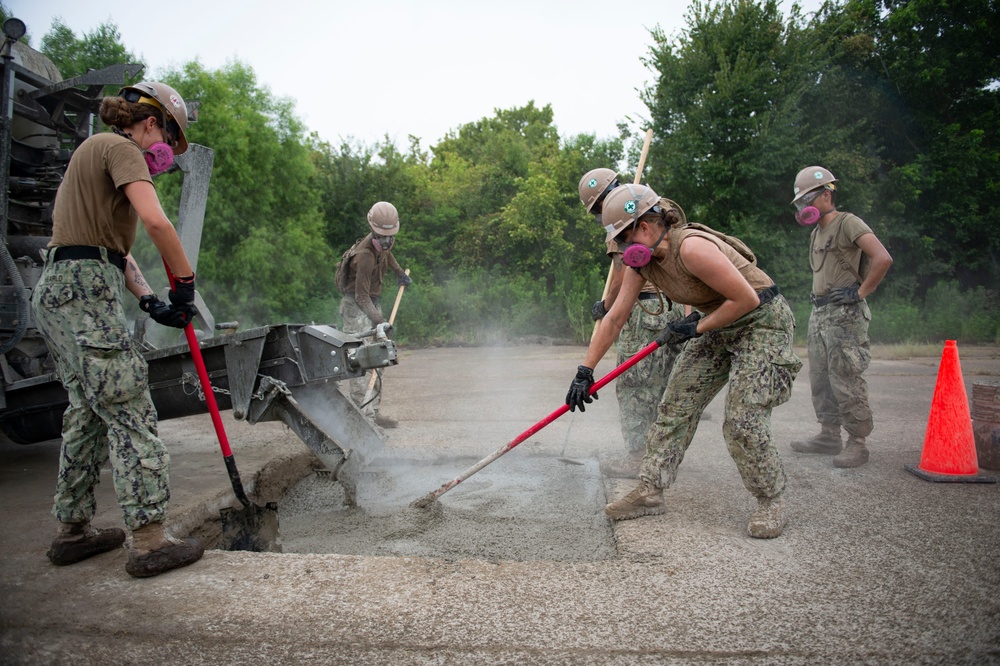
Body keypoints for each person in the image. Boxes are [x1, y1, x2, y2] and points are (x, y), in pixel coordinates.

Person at [31, 81, 205, 577]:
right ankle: (149, 541)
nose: (167, 153)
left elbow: (113, 252)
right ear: (151, 122)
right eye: (169, 140)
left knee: (87, 411)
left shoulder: (95, 153)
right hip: (83, 289)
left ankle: (72, 532)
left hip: (66, 287)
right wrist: (184, 285)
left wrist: (150, 301)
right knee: (130, 404)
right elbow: (158, 224)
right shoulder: (119, 147)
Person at [566, 183, 802, 538]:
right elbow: (615, 318)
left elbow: (746, 300)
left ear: (644, 227)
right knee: (674, 406)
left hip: (761, 322)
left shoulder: (691, 248)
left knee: (742, 418)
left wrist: (694, 328)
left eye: (624, 241)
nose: (621, 251)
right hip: (716, 323)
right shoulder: (642, 264)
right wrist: (585, 371)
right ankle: (650, 491)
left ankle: (771, 499)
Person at [578, 168, 687, 478]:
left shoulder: (622, 221)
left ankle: (638, 457)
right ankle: (661, 455)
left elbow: (623, 275)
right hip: (672, 302)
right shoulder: (654, 206)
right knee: (661, 385)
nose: (602, 218)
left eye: (597, 211)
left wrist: (606, 305)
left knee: (634, 384)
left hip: (644, 309)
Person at [788, 166, 893, 467]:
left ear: (825, 195)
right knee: (820, 377)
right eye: (799, 203)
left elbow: (883, 258)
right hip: (821, 312)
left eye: (805, 200)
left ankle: (857, 442)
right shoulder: (817, 231)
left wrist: (861, 293)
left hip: (845, 314)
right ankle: (828, 434)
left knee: (845, 377)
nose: (802, 208)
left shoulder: (848, 223)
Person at [338, 201, 412, 429]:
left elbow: (387, 256)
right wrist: (382, 322)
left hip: (373, 304)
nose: (387, 241)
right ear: (373, 230)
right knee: (361, 360)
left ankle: (373, 412)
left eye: (390, 236)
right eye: (382, 237)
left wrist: (400, 273)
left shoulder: (384, 245)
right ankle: (363, 420)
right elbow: (361, 297)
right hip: (355, 307)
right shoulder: (365, 256)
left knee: (379, 358)